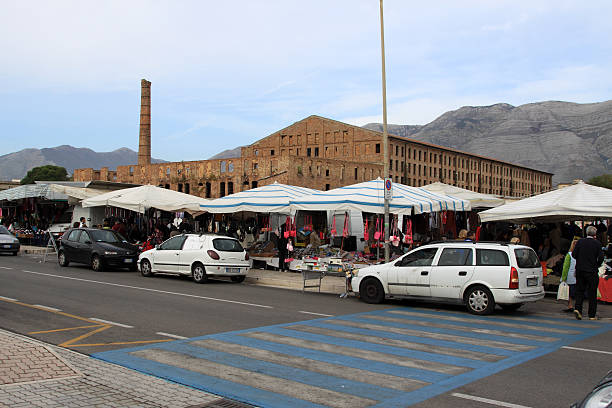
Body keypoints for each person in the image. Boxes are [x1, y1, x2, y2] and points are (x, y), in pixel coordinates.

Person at [572, 226, 605, 320]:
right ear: (595, 234)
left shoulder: (580, 242)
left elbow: (574, 255)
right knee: (592, 292)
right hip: (592, 271)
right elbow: (601, 258)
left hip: (580, 270)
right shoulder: (597, 243)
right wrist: (597, 264)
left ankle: (578, 309)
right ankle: (592, 315)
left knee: (579, 291)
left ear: (586, 233)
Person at [561, 239, 579, 312]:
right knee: (577, 292)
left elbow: (565, 267)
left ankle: (570, 305)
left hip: (570, 277)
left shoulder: (569, 255)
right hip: (578, 276)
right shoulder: (581, 254)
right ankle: (577, 306)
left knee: (570, 293)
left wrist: (563, 277)